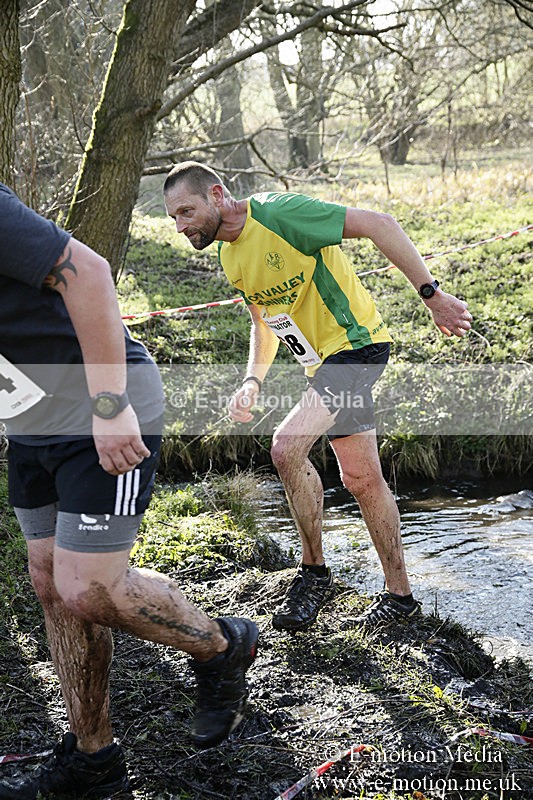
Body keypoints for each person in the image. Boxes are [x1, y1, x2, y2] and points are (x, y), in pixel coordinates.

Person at [0, 183, 259, 800]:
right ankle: (94, 757)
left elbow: (87, 273)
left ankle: (221, 646)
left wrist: (110, 406)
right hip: (31, 423)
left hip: (102, 406)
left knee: (88, 587)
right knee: (49, 581)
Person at [163, 161, 472, 635]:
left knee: (286, 447)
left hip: (357, 348)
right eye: (173, 219)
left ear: (217, 195)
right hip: (324, 365)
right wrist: (252, 381)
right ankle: (401, 598)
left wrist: (432, 295)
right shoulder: (230, 258)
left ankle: (314, 574)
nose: (182, 226)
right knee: (362, 479)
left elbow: (378, 224)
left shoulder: (280, 214)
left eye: (186, 211)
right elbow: (263, 322)